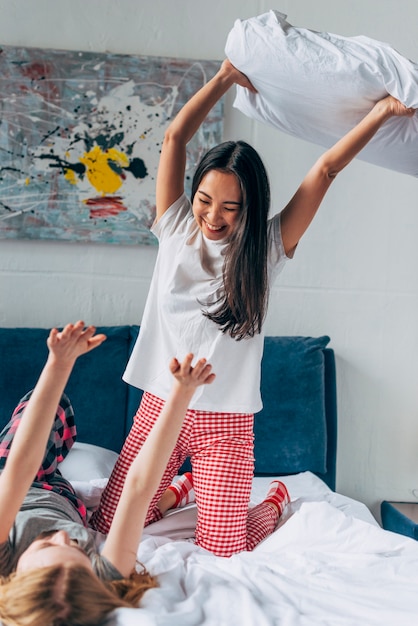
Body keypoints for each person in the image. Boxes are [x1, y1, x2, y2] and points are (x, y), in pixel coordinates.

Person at [90, 59, 416, 557]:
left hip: (226, 422)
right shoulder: (174, 226)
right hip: (160, 406)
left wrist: (382, 113)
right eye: (204, 200)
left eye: (230, 207)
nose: (212, 216)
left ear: (249, 207)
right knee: (107, 526)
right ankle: (181, 491)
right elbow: (175, 137)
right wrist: (224, 78)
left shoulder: (266, 250)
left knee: (226, 549)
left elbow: (325, 169)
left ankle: (272, 501)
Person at [0, 321, 216, 626]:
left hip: (9, 484)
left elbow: (18, 472)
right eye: (76, 550)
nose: (62, 536)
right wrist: (181, 395)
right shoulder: (101, 577)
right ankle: (176, 494)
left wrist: (60, 363)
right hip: (58, 494)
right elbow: (138, 489)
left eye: (48, 546)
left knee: (25, 436)